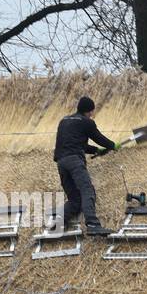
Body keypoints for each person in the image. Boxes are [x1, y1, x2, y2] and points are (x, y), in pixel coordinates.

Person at [53, 95, 120, 235]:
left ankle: (59, 221)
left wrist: (96, 150)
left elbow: (78, 144)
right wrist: (112, 145)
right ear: (89, 111)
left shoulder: (64, 121)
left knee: (74, 199)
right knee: (87, 190)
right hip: (74, 162)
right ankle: (93, 224)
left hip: (61, 162)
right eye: (91, 112)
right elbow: (98, 137)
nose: (91, 115)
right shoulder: (86, 122)